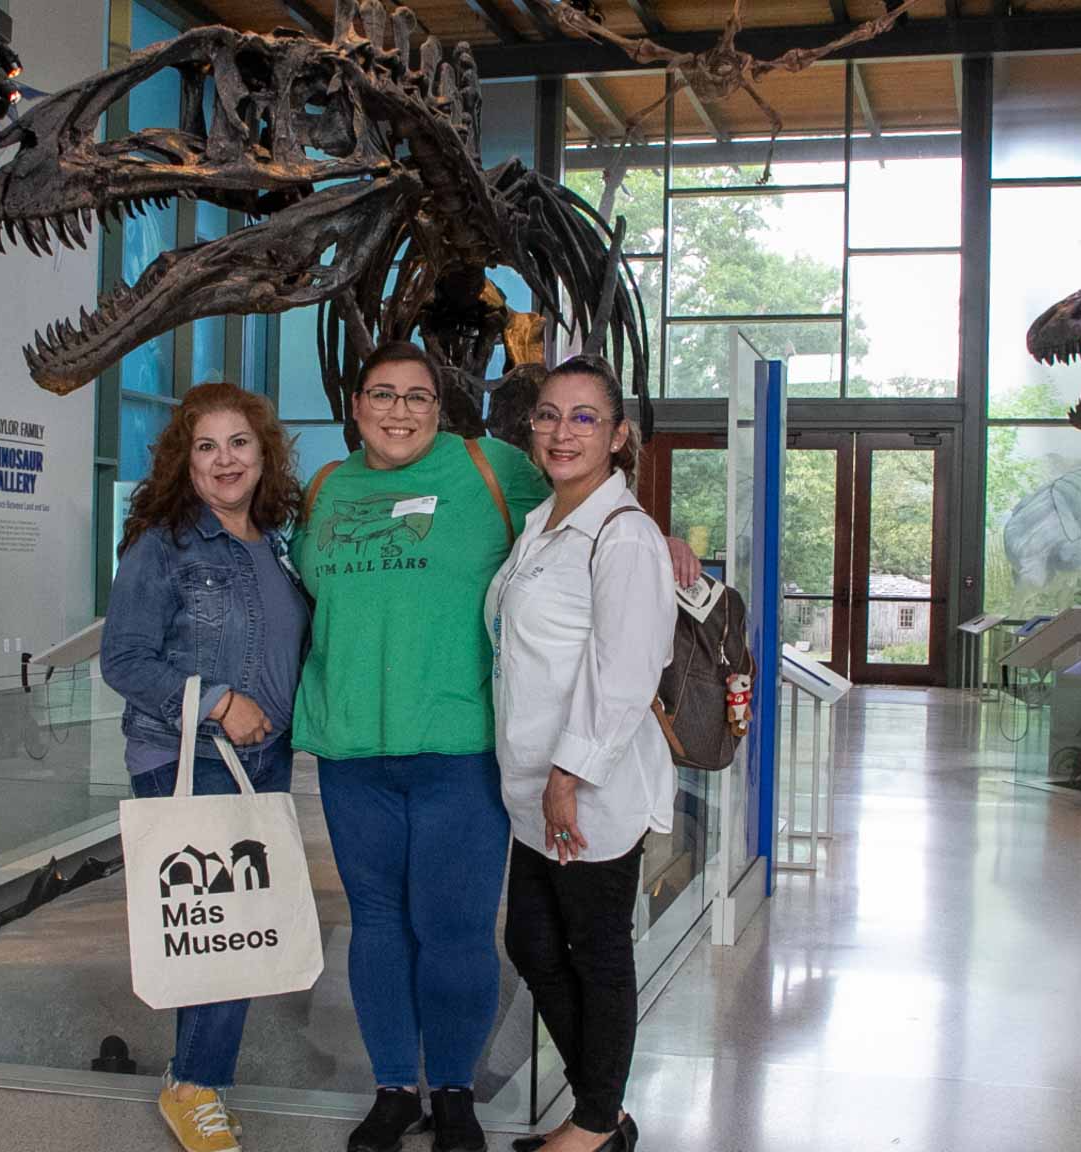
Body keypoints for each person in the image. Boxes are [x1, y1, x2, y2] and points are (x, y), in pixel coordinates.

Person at [293, 342, 698, 1152]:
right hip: (350, 750)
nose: (400, 409)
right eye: (383, 393)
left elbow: (597, 506)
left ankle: (455, 1095)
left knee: (461, 930)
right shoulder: (326, 488)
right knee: (384, 924)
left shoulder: (491, 470)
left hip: (460, 750)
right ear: (357, 403)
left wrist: (669, 537)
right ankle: (393, 1091)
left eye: (418, 395)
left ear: (442, 408)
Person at [100, 382, 308, 1152]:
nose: (225, 460)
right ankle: (195, 1085)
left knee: (234, 932)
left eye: (239, 444)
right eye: (206, 446)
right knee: (224, 933)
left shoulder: (276, 543)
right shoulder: (164, 544)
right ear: (183, 462)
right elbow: (121, 658)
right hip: (190, 758)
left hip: (265, 761)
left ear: (264, 453)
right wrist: (218, 701)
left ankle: (196, 1075)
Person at [488, 355, 675, 1152]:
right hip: (533, 784)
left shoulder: (624, 536)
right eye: (548, 415)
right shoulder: (546, 521)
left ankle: (598, 1123)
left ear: (619, 436)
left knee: (596, 953)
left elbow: (627, 668)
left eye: (584, 417)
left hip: (584, 788)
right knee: (531, 941)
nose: (562, 432)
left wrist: (571, 774)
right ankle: (604, 1106)